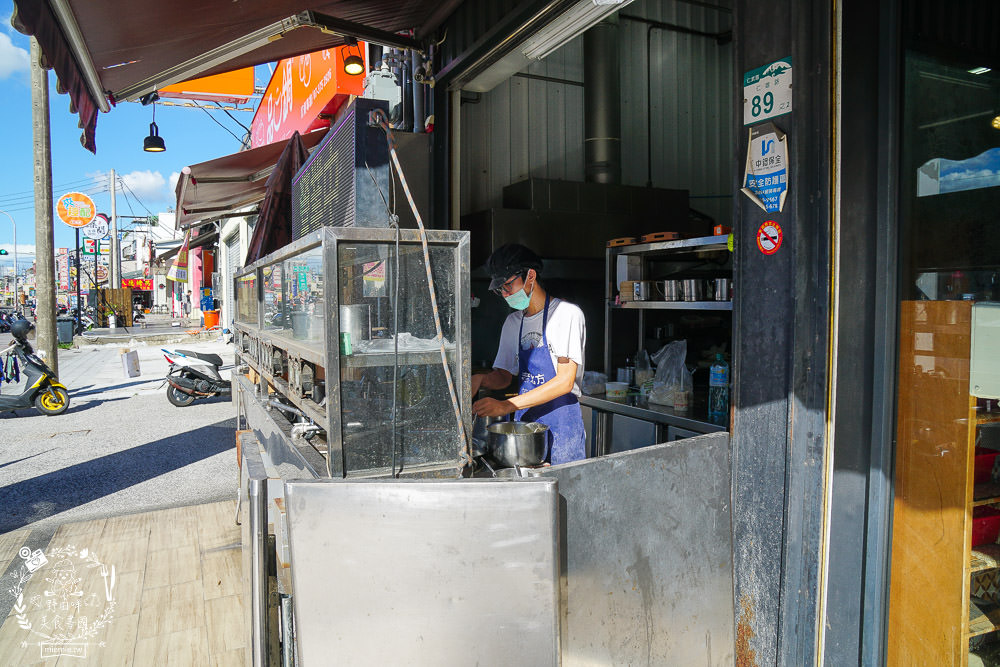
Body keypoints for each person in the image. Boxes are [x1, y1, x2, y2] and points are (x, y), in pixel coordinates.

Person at [472, 244, 587, 465]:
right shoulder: (513, 322)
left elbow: (564, 381)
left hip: (562, 426)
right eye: (500, 290)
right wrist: (481, 379)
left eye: (507, 286)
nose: (505, 295)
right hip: (526, 430)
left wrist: (509, 405)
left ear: (530, 276)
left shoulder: (567, 315)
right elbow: (504, 376)